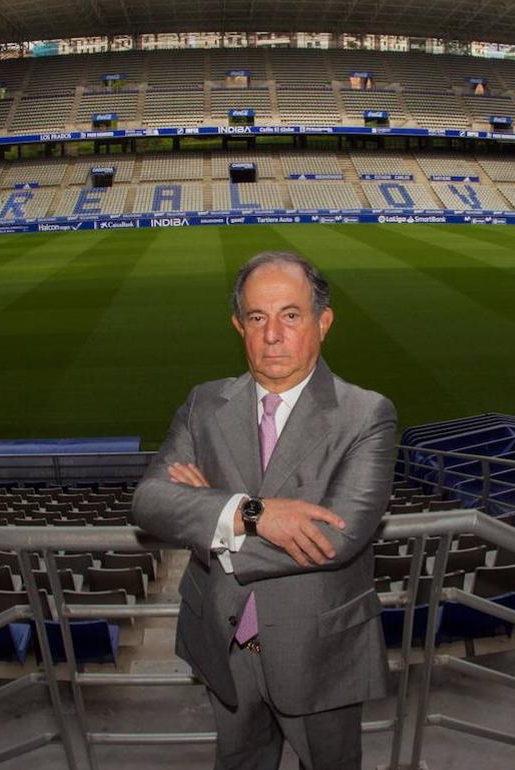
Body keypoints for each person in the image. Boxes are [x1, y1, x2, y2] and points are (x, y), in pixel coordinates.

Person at [132, 251, 397, 770]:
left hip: (318, 654)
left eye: (290, 315)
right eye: (257, 317)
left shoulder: (367, 415)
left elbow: (336, 539)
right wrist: (251, 513)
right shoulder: (203, 404)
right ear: (239, 325)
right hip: (225, 647)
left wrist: (209, 517)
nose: (272, 334)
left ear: (324, 321)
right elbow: (149, 501)